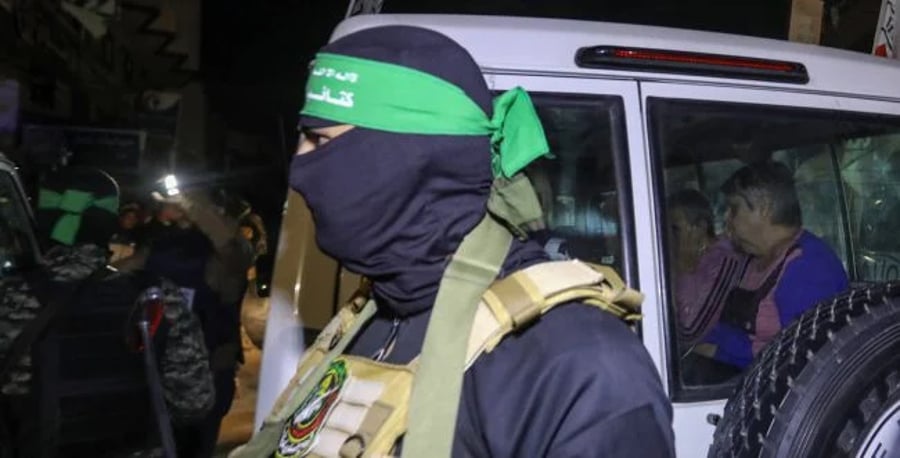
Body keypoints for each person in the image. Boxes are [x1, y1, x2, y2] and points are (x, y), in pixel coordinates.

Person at [233, 26, 674, 457]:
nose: (298, 170)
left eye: (318, 139)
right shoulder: (367, 318)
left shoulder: (577, 364)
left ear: (403, 156)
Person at [0, 167, 213, 457]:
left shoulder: (10, 298)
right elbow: (194, 402)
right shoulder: (158, 297)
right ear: (111, 224)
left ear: (42, 221)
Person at [117, 183, 254, 458]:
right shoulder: (159, 247)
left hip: (205, 376)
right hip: (152, 374)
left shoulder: (224, 260)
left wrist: (192, 203)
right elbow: (122, 273)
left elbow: (234, 249)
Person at [698, 161, 849, 371]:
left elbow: (803, 360)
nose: (726, 219)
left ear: (765, 207)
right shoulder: (750, 258)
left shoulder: (808, 269)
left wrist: (719, 350)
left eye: (734, 209)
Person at [668, 189, 750, 348]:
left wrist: (684, 267)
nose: (668, 235)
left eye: (675, 229)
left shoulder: (724, 260)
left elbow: (689, 331)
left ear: (700, 227)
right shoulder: (677, 259)